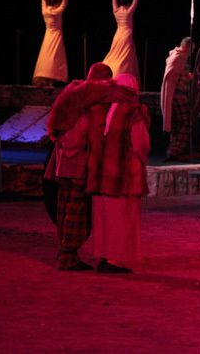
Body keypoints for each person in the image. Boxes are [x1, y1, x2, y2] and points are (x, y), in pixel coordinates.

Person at [45, 62, 135, 271]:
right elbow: (76, 137)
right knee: (77, 212)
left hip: (61, 164)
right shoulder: (88, 98)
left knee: (65, 209)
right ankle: (68, 256)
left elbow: (57, 131)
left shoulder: (70, 95)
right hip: (76, 165)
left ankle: (66, 253)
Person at [87, 73, 150, 273]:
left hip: (103, 175)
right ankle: (115, 260)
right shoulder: (132, 112)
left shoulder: (104, 110)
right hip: (123, 177)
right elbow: (140, 144)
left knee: (104, 217)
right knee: (121, 218)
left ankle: (104, 256)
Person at [103, 0, 141, 82]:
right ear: (128, 3)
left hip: (118, 35)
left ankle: (115, 75)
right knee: (125, 59)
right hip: (126, 36)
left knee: (115, 55)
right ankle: (121, 78)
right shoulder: (129, 11)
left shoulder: (116, 10)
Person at [33, 0, 69, 86]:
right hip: (56, 35)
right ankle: (51, 81)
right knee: (55, 57)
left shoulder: (45, 10)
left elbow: (43, 0)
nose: (59, 4)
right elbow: (65, 2)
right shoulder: (57, 11)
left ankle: (47, 80)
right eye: (58, 3)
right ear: (55, 4)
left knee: (46, 56)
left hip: (48, 35)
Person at [160, 37, 192, 160]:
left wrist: (189, 77)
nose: (191, 53)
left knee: (177, 124)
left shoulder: (179, 57)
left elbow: (178, 74)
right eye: (191, 49)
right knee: (185, 122)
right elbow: (173, 75)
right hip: (177, 96)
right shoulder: (178, 57)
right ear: (187, 47)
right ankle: (175, 150)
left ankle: (173, 150)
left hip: (177, 95)